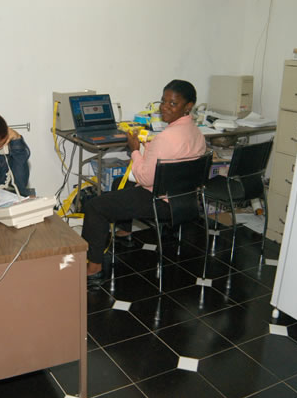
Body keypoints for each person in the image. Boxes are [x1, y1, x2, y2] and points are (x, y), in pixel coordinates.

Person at [81, 80, 206, 278]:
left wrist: (135, 151)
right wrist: (150, 150)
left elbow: (145, 178)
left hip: (160, 202)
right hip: (185, 199)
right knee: (118, 182)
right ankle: (124, 231)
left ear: (188, 107)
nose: (164, 108)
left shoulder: (166, 138)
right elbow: (172, 161)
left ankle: (94, 267)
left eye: (172, 104)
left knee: (95, 207)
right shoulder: (197, 133)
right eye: (163, 101)